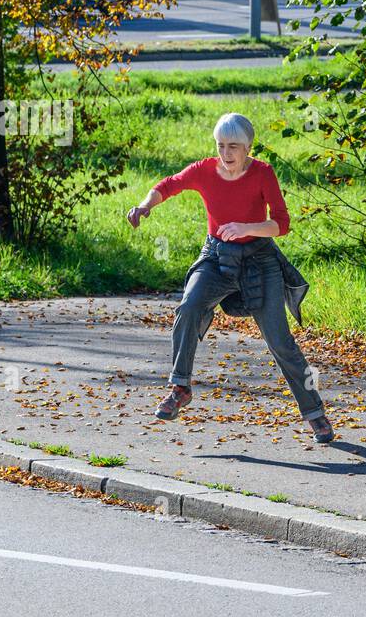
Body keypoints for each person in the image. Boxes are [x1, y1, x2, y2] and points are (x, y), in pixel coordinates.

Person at [126, 112, 335, 443]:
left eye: (234, 146)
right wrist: (144, 206)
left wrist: (247, 228)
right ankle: (180, 387)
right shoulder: (204, 171)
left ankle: (315, 413)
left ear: (248, 147)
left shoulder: (263, 173)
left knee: (281, 342)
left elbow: (281, 223)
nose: (226, 153)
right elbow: (167, 186)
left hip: (259, 260)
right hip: (216, 257)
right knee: (189, 306)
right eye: (221, 145)